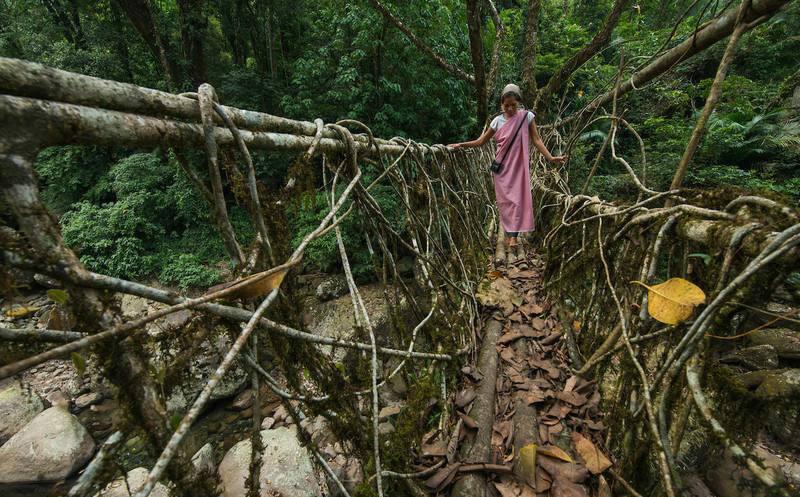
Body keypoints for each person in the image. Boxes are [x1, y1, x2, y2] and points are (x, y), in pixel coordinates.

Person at [448, 84, 566, 250]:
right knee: (506, 202)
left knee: (518, 200)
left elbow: (537, 140)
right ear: (501, 105)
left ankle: (513, 237)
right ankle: (510, 232)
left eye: (513, 105)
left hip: (519, 166)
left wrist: (551, 157)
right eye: (506, 105)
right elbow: (481, 141)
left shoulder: (527, 117)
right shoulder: (497, 121)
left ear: (519, 103)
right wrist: (462, 144)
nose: (510, 108)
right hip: (502, 168)